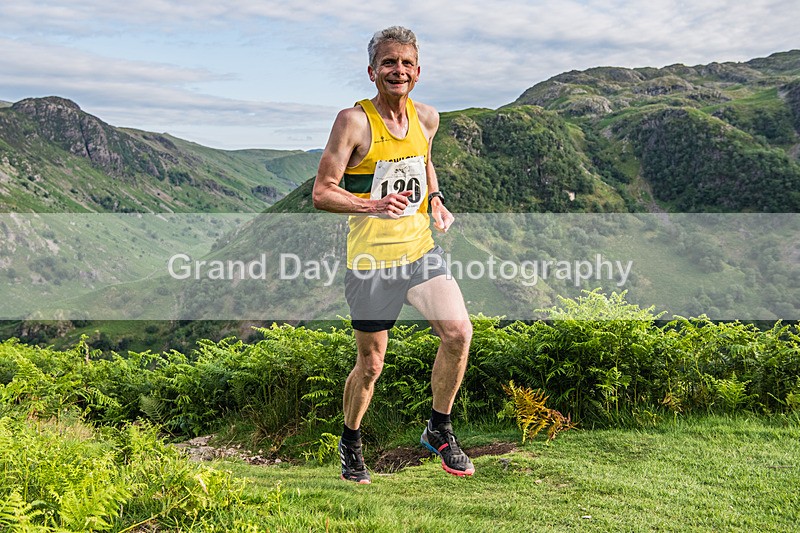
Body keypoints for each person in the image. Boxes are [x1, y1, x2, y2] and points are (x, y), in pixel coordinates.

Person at [312, 26, 474, 484]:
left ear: (418, 72)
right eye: (388, 62)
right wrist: (373, 205)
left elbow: (424, 161)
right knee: (370, 366)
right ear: (372, 72)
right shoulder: (353, 122)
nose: (397, 70)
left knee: (458, 333)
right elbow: (322, 193)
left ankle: (438, 428)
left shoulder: (428, 119)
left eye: (405, 63)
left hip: (420, 252)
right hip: (370, 263)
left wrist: (435, 198)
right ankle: (350, 441)